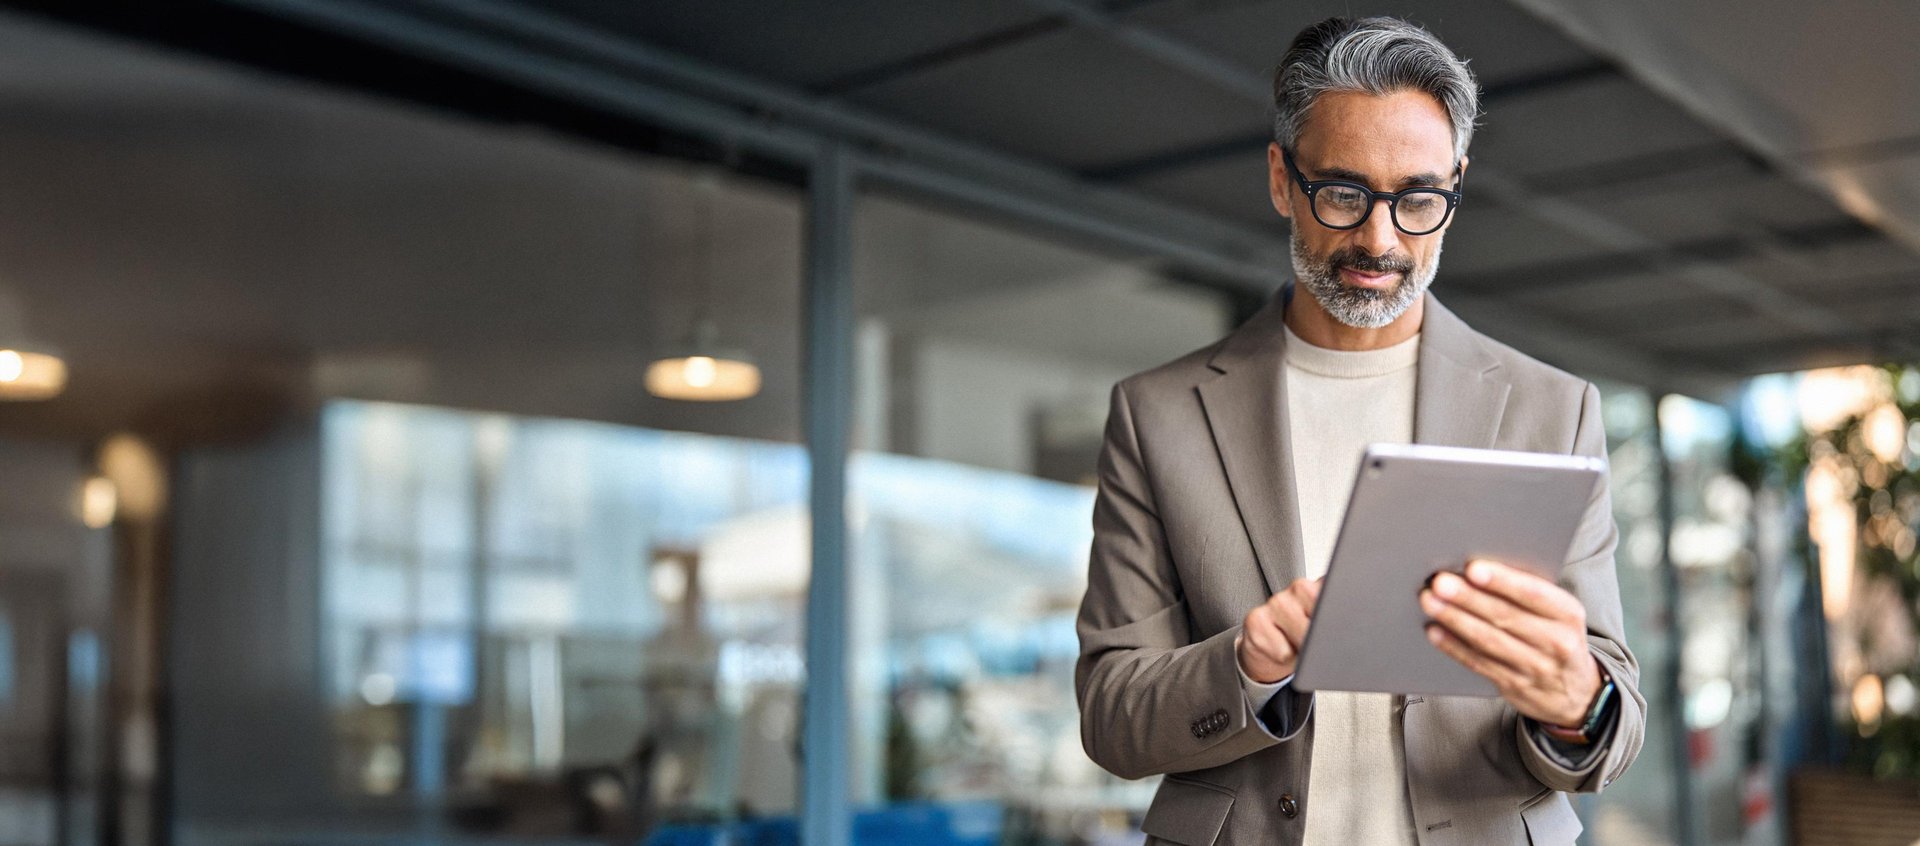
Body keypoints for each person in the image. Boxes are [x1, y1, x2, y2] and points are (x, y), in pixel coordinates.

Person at [1074, 16, 1643, 846]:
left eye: (1418, 199)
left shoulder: (1552, 410)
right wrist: (1244, 666)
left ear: (1456, 189)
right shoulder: (1157, 416)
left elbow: (1613, 719)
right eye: (1343, 194)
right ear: (1281, 178)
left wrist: (1576, 702)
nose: (1380, 240)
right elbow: (1111, 714)